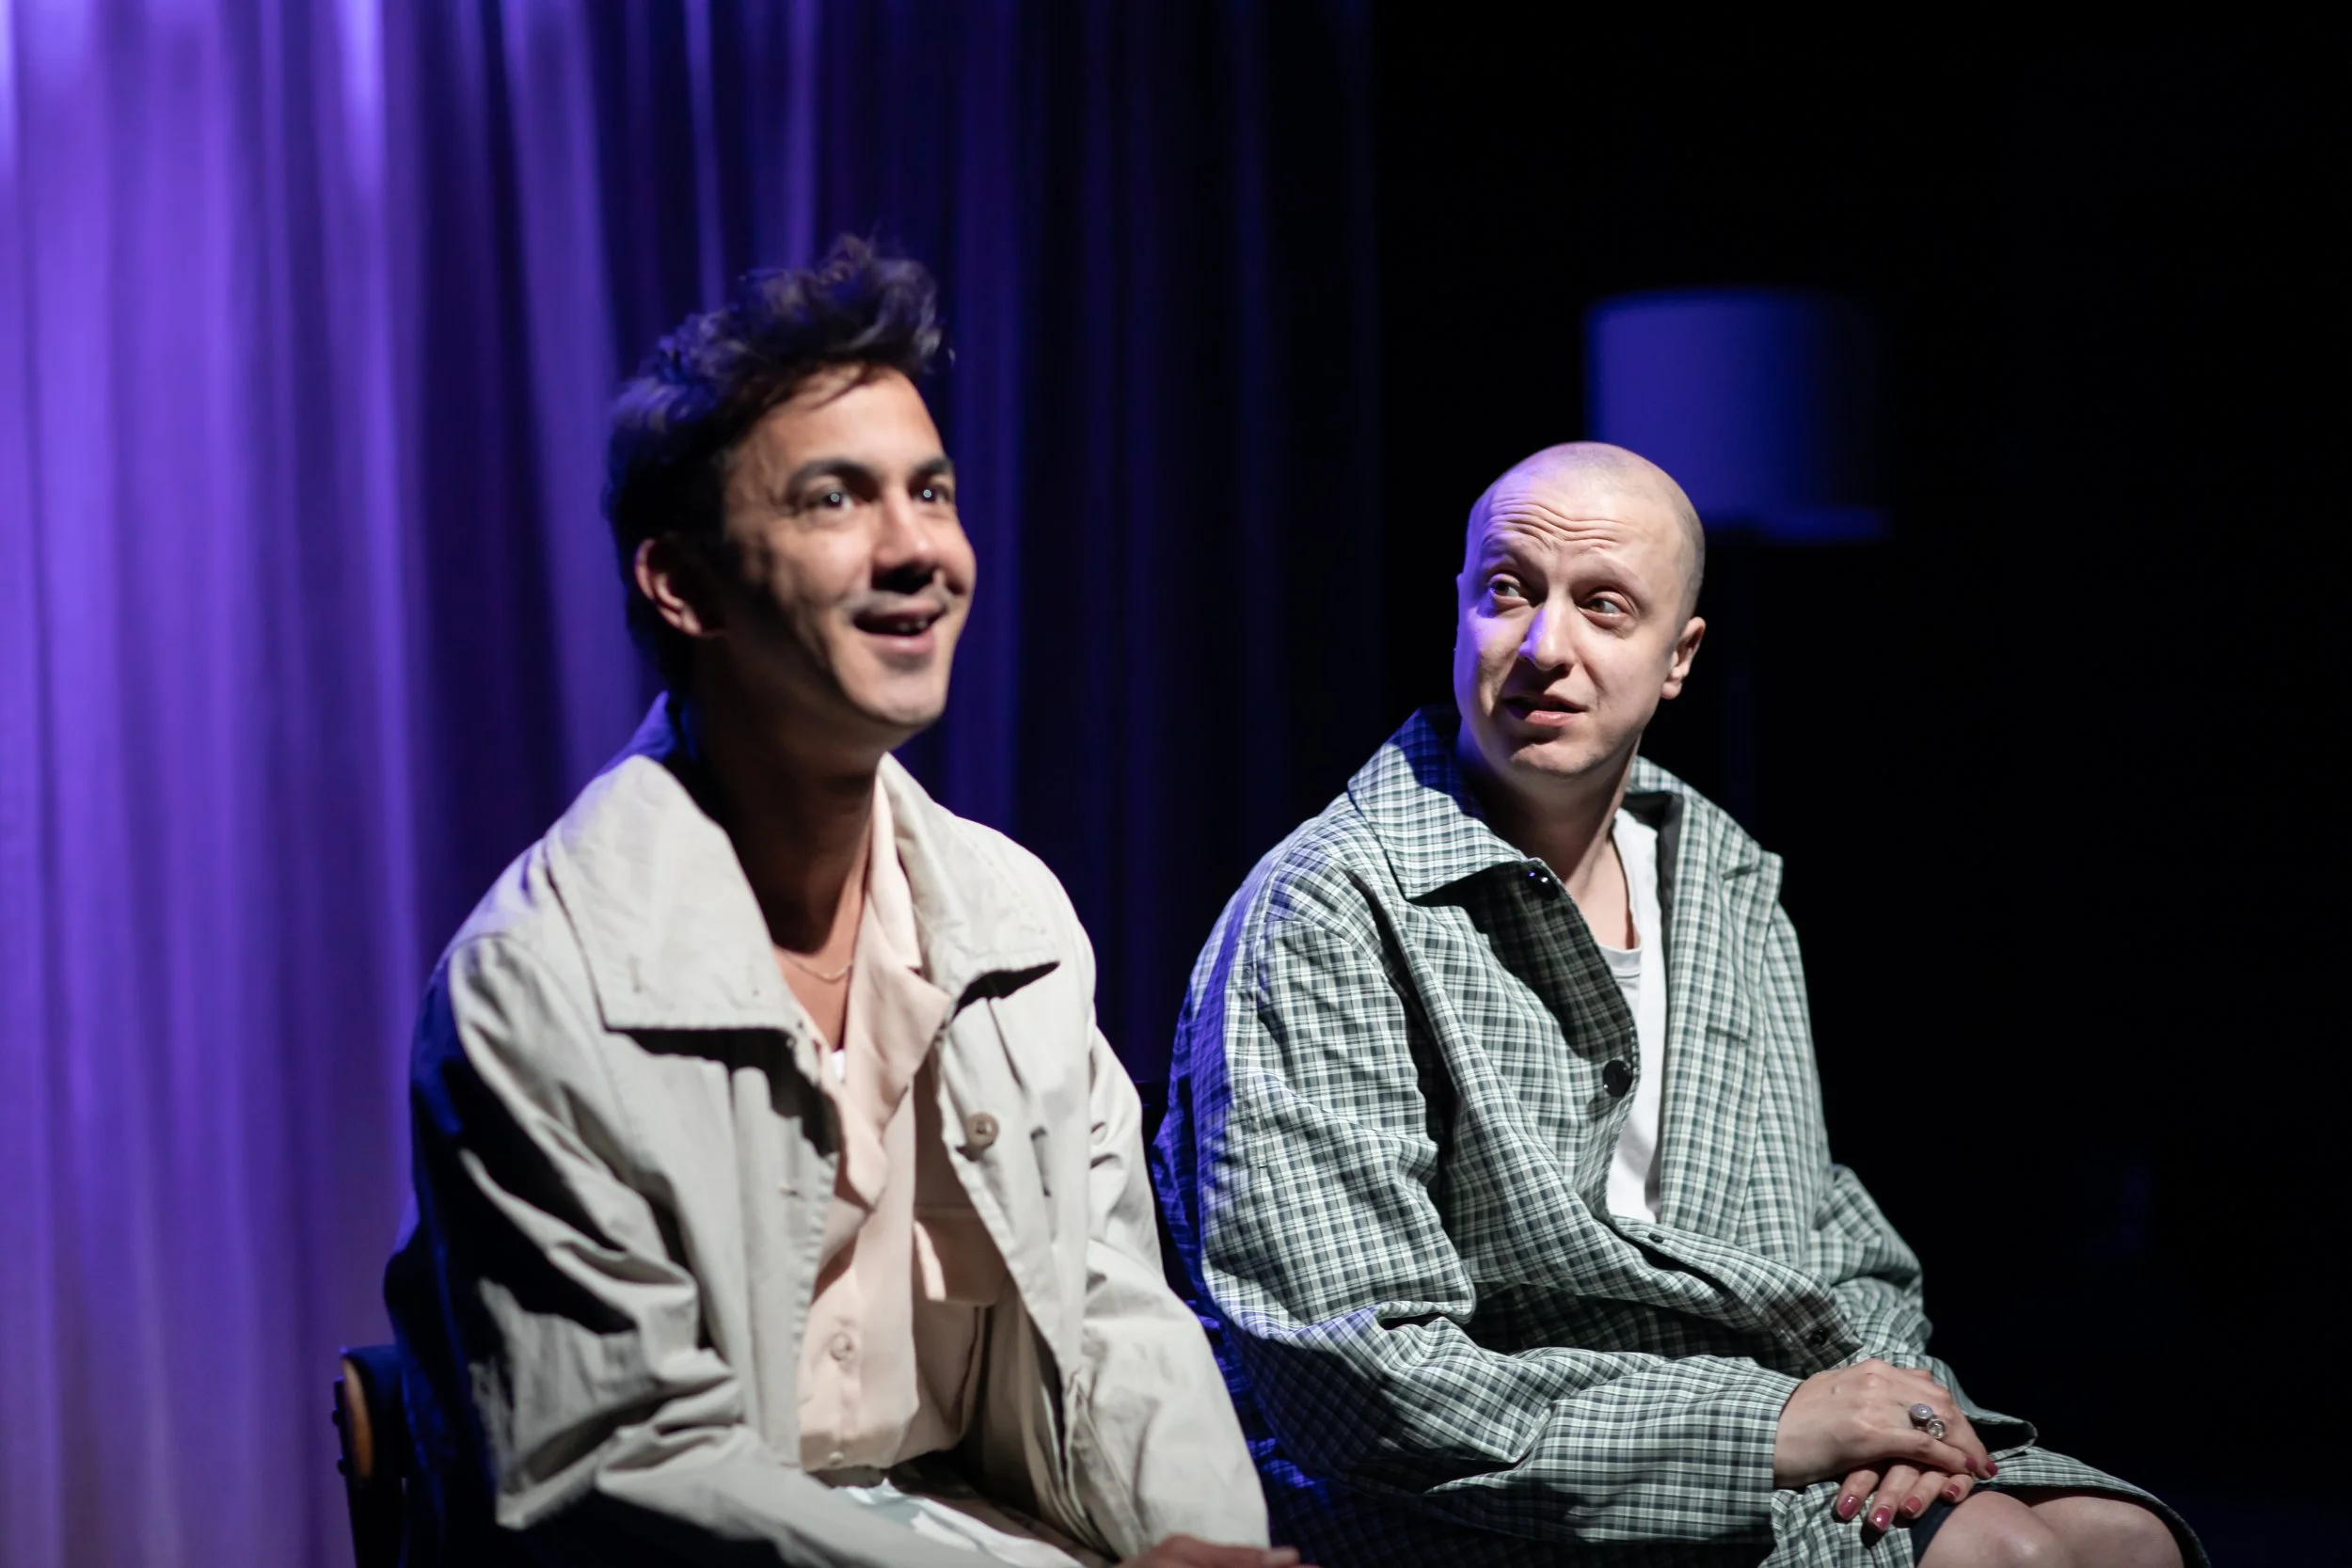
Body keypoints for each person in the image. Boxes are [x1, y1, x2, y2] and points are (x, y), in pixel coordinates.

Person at [385, 239, 1290, 1568]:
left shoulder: (1015, 921)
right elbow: (628, 1479)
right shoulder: (536, 988)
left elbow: (1110, 1319)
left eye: (933, 490)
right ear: (680, 582)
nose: (918, 546)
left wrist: (1208, 1543)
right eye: (834, 498)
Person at [1152, 443, 2199, 1567]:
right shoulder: (1324, 913)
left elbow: (1826, 1227)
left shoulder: (1723, 882)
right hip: (1468, 1480)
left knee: (2124, 1537)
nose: (1543, 647)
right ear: (1458, 610)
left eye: (1604, 607)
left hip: (1774, 1409)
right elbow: (1352, 1371)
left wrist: (1909, 1414)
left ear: (1678, 657)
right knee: (2005, 1556)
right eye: (1506, 590)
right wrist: (1774, 1428)